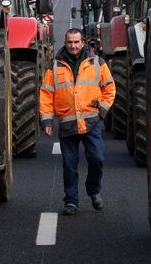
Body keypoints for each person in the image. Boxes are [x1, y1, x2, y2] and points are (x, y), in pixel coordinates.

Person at [40, 28, 115, 215]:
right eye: (69, 42)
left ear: (83, 43)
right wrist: (47, 121)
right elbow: (46, 94)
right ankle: (71, 201)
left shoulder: (97, 63)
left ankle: (93, 190)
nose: (73, 46)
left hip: (92, 122)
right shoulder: (55, 66)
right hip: (67, 124)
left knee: (96, 159)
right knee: (69, 165)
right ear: (65, 43)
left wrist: (101, 113)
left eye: (76, 42)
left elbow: (110, 89)